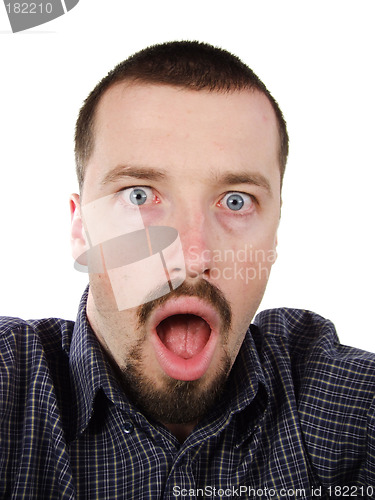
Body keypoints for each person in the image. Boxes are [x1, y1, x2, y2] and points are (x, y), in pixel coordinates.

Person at [0, 41, 374, 500]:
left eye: (235, 201)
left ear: (275, 231)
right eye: (139, 195)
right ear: (81, 229)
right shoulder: (10, 387)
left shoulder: (336, 403)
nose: (193, 257)